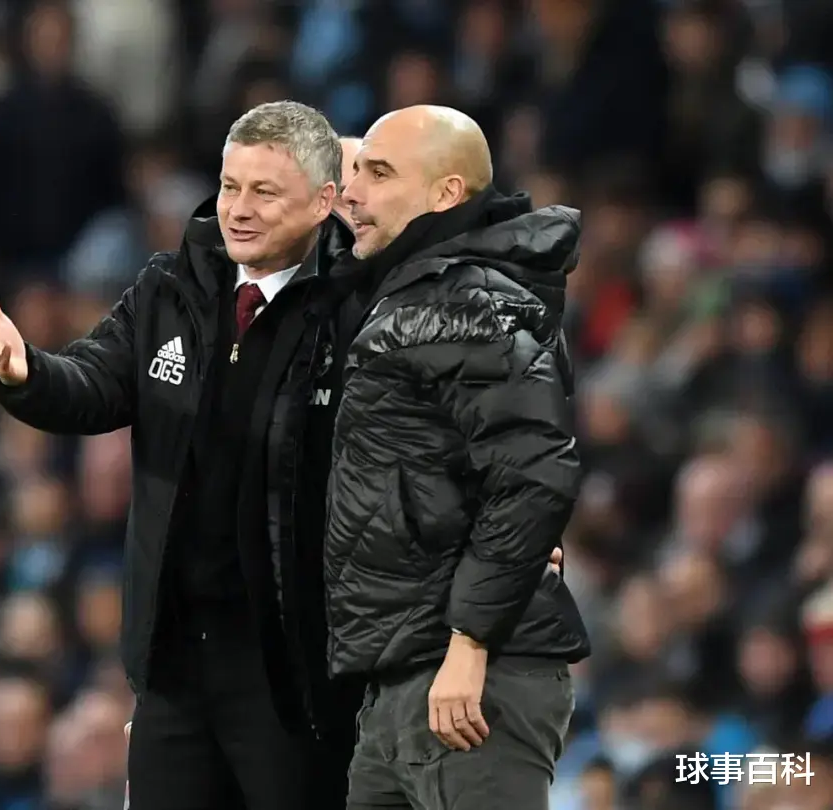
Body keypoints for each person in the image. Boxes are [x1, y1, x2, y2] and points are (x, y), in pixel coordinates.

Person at [0, 100, 366, 810]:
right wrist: (26, 373)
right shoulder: (170, 288)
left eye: (265, 192)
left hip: (292, 670)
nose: (239, 209)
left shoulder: (356, 309)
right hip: (174, 658)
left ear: (323, 202)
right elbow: (92, 384)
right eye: (231, 186)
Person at [325, 105, 591, 810]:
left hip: (468, 677)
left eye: (379, 174)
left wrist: (470, 642)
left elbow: (534, 473)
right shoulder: (407, 294)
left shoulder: (466, 301)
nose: (353, 192)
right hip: (402, 677)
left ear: (445, 194)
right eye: (355, 172)